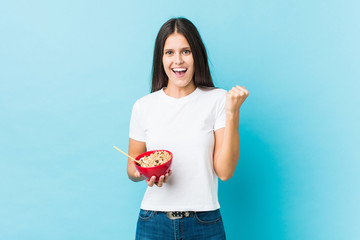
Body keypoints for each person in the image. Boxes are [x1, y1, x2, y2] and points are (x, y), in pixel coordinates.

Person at [127, 17, 249, 240]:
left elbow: (225, 171)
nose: (178, 60)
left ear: (197, 55)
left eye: (186, 51)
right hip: (153, 221)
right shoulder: (143, 106)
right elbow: (131, 167)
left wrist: (233, 113)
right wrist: (145, 172)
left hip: (204, 221)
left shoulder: (218, 100)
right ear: (161, 58)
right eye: (169, 53)